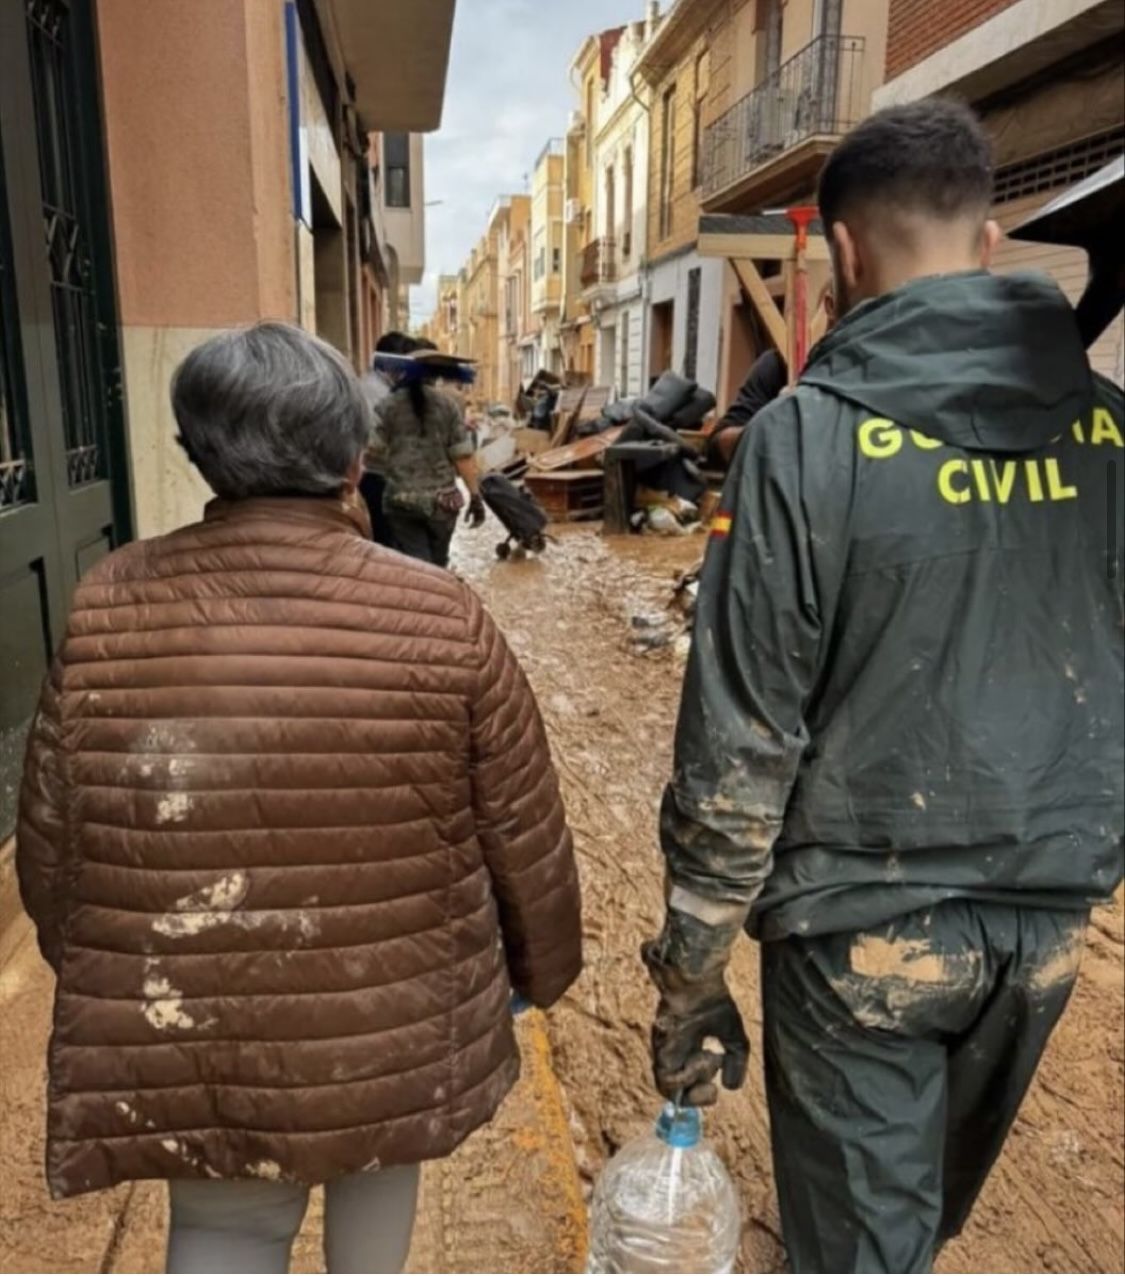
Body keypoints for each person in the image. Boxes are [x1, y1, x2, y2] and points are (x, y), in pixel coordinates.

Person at [644, 98, 1123, 1274]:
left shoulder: (804, 442)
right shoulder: (1111, 431)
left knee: (867, 1249)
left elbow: (742, 747)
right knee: (911, 1229)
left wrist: (690, 980)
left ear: (844, 257)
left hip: (857, 937)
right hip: (1047, 926)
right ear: (993, 241)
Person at [16, 322, 583, 1274]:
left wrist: (105, 964)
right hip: (388, 1015)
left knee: (224, 1227)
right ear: (351, 457)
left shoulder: (108, 601)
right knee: (378, 1174)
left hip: (197, 1016)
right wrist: (541, 968)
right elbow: (524, 828)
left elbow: (52, 843)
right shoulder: (439, 612)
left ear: (197, 451)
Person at [369, 347, 486, 568]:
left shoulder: (387, 405)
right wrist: (475, 496)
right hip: (442, 504)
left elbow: (372, 452)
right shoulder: (448, 406)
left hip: (400, 501)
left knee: (416, 564)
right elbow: (463, 457)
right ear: (436, 375)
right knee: (438, 563)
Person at [358, 331, 416, 549]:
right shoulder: (375, 392)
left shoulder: (384, 388)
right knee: (386, 542)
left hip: (384, 477)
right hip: (377, 478)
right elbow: (374, 443)